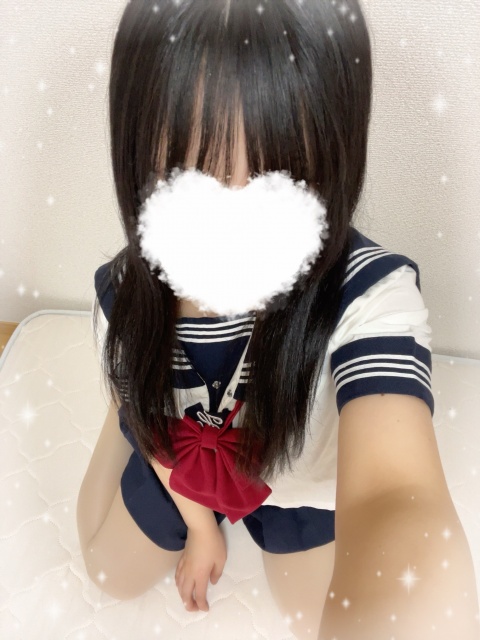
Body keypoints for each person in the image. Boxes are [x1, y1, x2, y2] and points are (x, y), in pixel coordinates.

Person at [76, 1, 480, 638]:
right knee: (108, 572)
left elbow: (397, 498)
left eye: (280, 178)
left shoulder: (368, 296)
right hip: (180, 459)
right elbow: (159, 442)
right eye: (186, 176)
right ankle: (125, 397)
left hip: (295, 489)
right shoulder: (127, 296)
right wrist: (201, 526)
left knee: (308, 613)